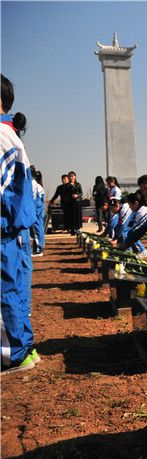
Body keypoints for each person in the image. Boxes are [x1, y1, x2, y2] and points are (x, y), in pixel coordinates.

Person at [1, 73, 39, 374]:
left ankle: (13, 353)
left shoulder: (2, 136)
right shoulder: (9, 135)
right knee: (13, 288)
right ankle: (23, 347)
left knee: (5, 291)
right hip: (13, 229)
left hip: (6, 227)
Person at [30, 166, 45, 257]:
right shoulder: (38, 185)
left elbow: (34, 200)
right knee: (38, 228)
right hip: (38, 210)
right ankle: (37, 248)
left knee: (36, 229)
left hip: (35, 210)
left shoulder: (32, 184)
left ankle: (39, 249)